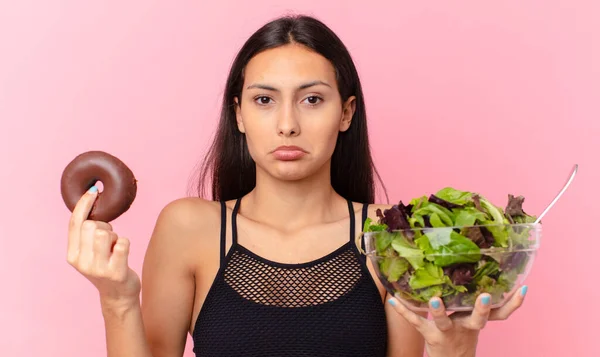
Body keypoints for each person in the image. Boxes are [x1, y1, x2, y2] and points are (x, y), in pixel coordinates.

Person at [66, 14, 528, 357]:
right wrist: (117, 299)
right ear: (240, 115)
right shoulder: (189, 227)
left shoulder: (389, 236)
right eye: (264, 100)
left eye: (311, 99)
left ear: (345, 113)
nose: (287, 125)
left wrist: (459, 344)